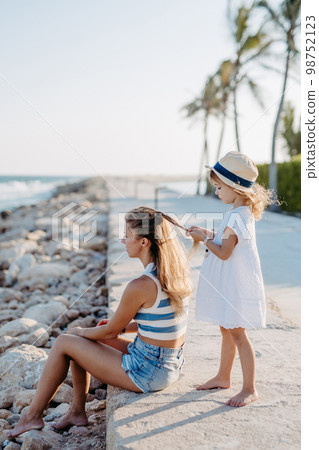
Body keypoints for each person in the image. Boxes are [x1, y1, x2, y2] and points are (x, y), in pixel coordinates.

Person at [7, 206, 191, 438]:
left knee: (66, 340)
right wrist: (119, 327)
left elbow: (109, 332)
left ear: (144, 242)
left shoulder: (140, 285)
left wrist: (84, 331)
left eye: (127, 235)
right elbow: (163, 322)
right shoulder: (171, 273)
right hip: (168, 362)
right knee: (78, 341)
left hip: (149, 369)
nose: (122, 240)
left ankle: (31, 417)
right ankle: (76, 412)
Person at [187, 151, 275, 407]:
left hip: (235, 284)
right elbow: (228, 240)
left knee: (237, 333)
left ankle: (249, 388)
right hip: (232, 282)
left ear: (234, 188)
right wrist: (207, 232)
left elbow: (224, 252)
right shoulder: (239, 212)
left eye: (218, 187)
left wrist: (204, 239)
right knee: (226, 329)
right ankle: (223, 376)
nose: (216, 192)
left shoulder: (238, 215)